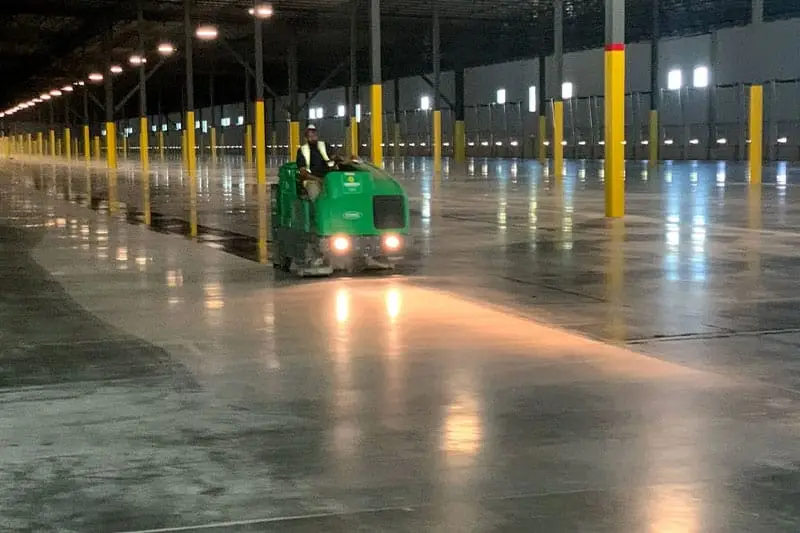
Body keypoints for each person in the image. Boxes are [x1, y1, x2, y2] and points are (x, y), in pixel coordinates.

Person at [295, 124, 335, 201]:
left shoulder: (325, 145)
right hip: (311, 180)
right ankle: (316, 211)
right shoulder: (302, 150)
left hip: (328, 178)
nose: (313, 137)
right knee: (316, 196)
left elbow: (334, 157)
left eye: (314, 134)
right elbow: (303, 172)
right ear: (306, 138)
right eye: (310, 136)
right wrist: (319, 179)